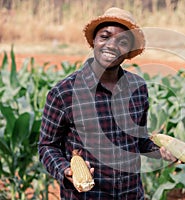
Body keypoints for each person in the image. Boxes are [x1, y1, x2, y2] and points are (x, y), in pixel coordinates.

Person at [38, 7, 176, 199]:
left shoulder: (138, 88)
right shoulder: (64, 92)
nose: (111, 45)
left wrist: (160, 150)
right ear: (93, 40)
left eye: (123, 41)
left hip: (131, 194)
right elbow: (47, 146)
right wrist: (65, 170)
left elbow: (138, 139)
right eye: (105, 36)